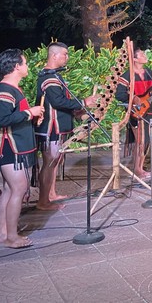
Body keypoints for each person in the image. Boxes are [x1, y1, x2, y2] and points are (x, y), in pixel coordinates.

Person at [0, 49, 44, 248]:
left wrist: (32, 116)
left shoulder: (12, 89)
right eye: (25, 63)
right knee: (18, 188)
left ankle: (2, 233)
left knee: (10, 190)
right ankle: (12, 237)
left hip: (13, 147)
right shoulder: (3, 92)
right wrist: (30, 113)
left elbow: (14, 116)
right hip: (8, 148)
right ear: (17, 66)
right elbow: (2, 120)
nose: (27, 66)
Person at [35, 42, 97, 210]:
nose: (67, 57)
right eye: (65, 54)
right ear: (54, 55)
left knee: (54, 162)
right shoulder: (48, 78)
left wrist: (77, 111)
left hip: (58, 127)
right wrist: (84, 102)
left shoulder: (55, 76)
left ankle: (51, 194)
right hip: (50, 128)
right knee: (50, 162)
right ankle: (43, 201)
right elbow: (58, 101)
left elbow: (61, 102)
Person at [115, 48, 152, 178]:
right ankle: (137, 169)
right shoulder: (127, 75)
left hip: (148, 110)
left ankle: (140, 167)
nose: (145, 56)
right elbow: (119, 94)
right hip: (135, 112)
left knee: (147, 140)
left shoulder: (149, 73)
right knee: (140, 141)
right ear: (135, 59)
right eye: (142, 54)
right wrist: (132, 97)